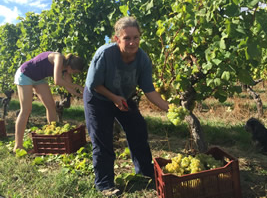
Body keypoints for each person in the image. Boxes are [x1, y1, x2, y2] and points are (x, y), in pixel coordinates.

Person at [84, 16, 169, 196]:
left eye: (136, 37)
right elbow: (94, 84)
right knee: (102, 138)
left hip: (123, 96)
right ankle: (104, 184)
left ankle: (145, 173)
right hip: (98, 97)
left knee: (138, 129)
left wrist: (170, 108)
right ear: (117, 39)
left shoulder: (143, 59)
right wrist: (114, 97)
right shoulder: (105, 54)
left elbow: (149, 90)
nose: (132, 42)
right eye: (127, 38)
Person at [13, 52, 84, 152]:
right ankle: (18, 146)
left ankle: (53, 137)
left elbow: (68, 86)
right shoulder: (58, 57)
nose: (74, 74)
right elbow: (57, 81)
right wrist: (78, 87)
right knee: (26, 109)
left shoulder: (66, 70)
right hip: (25, 74)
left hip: (38, 79)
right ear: (70, 67)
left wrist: (81, 95)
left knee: (51, 106)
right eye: (75, 72)